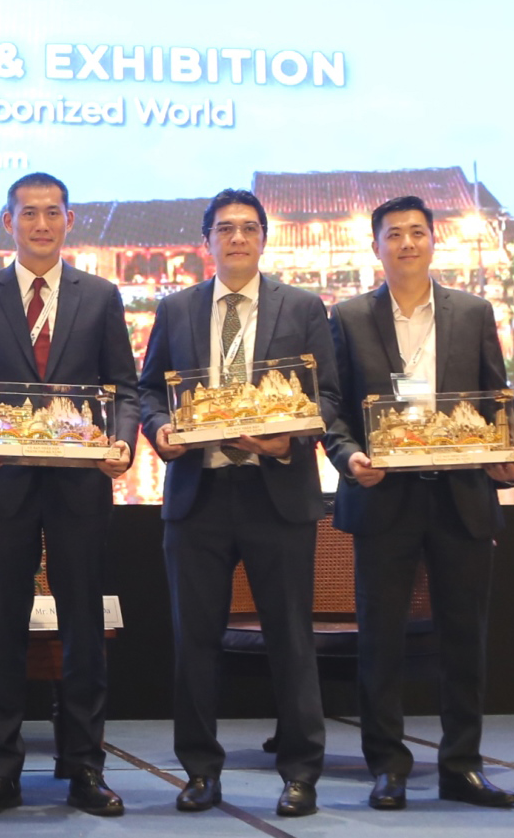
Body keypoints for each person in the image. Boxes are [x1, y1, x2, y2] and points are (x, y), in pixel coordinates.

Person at [0, 172, 138, 817]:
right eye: (30, 214)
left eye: (53, 213)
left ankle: (84, 769)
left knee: (83, 630)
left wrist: (124, 443)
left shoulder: (101, 295)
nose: (42, 224)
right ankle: (1, 772)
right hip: (3, 487)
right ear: (9, 222)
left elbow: (124, 391)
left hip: (81, 488)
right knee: (5, 634)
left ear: (70, 221)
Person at [136, 188, 339, 818]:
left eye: (249, 228)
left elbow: (328, 398)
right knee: (194, 641)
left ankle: (301, 772)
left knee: (290, 639)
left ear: (264, 238)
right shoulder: (176, 310)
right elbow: (147, 393)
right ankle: (199, 770)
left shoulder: (303, 307)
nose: (237, 238)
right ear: (207, 242)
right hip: (198, 495)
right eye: (224, 229)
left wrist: (286, 438)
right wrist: (159, 431)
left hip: (276, 491)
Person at [323, 195, 514, 810]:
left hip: (461, 495)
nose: (407, 243)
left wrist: (507, 451)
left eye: (417, 232)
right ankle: (387, 765)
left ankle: (462, 764)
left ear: (433, 241)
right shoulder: (350, 316)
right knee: (379, 639)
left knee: (465, 637)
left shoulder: (471, 311)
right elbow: (331, 404)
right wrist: (349, 457)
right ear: (376, 245)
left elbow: (496, 399)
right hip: (383, 497)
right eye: (394, 234)